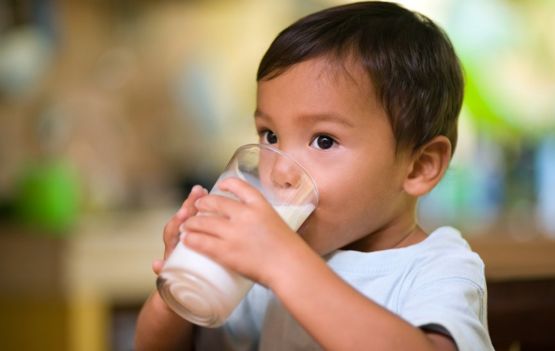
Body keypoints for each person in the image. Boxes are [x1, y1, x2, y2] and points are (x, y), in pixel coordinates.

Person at [135, 2, 493, 350]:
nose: (280, 169)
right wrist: (178, 288)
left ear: (419, 166)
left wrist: (283, 263)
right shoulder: (265, 261)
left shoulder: (437, 267)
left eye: (324, 140)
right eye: (270, 136)